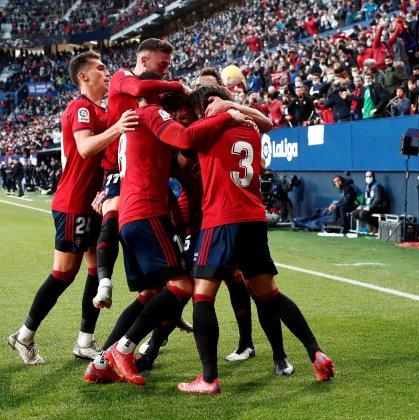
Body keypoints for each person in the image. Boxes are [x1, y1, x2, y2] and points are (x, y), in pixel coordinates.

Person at [84, 73, 255, 386]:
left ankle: (102, 360)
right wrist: (228, 116)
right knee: (183, 286)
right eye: (184, 115)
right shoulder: (151, 113)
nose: (187, 120)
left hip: (138, 215)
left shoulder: (140, 121)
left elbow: (178, 157)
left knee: (151, 294)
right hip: (148, 213)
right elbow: (186, 140)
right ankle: (122, 350)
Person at [176, 85, 334, 394]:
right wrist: (234, 109)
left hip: (221, 220)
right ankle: (316, 351)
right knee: (270, 295)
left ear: (207, 106)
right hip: (253, 218)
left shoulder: (207, 129)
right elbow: (265, 123)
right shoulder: (250, 130)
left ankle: (208, 379)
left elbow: (183, 147)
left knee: (202, 297)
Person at [7, 51, 138, 365]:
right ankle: (23, 336)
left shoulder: (102, 111)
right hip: (73, 204)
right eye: (100, 68)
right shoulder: (81, 107)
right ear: (84, 76)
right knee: (64, 273)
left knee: (96, 270)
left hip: (93, 203)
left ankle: (84, 340)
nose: (106, 73)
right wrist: (119, 127)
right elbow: (85, 147)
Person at [93, 38, 189, 311]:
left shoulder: (155, 95)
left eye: (169, 68)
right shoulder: (123, 77)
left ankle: (168, 293)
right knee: (112, 213)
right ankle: (105, 281)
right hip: (117, 165)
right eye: (162, 64)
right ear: (145, 60)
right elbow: (139, 86)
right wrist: (179, 85)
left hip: (142, 168)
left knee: (174, 218)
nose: (165, 72)